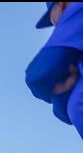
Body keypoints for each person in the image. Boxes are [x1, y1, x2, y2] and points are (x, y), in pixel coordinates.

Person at [25, 2, 83, 140]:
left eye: (53, 19)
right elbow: (65, 114)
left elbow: (39, 76)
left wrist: (61, 92)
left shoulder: (77, 9)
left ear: (61, 5)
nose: (56, 25)